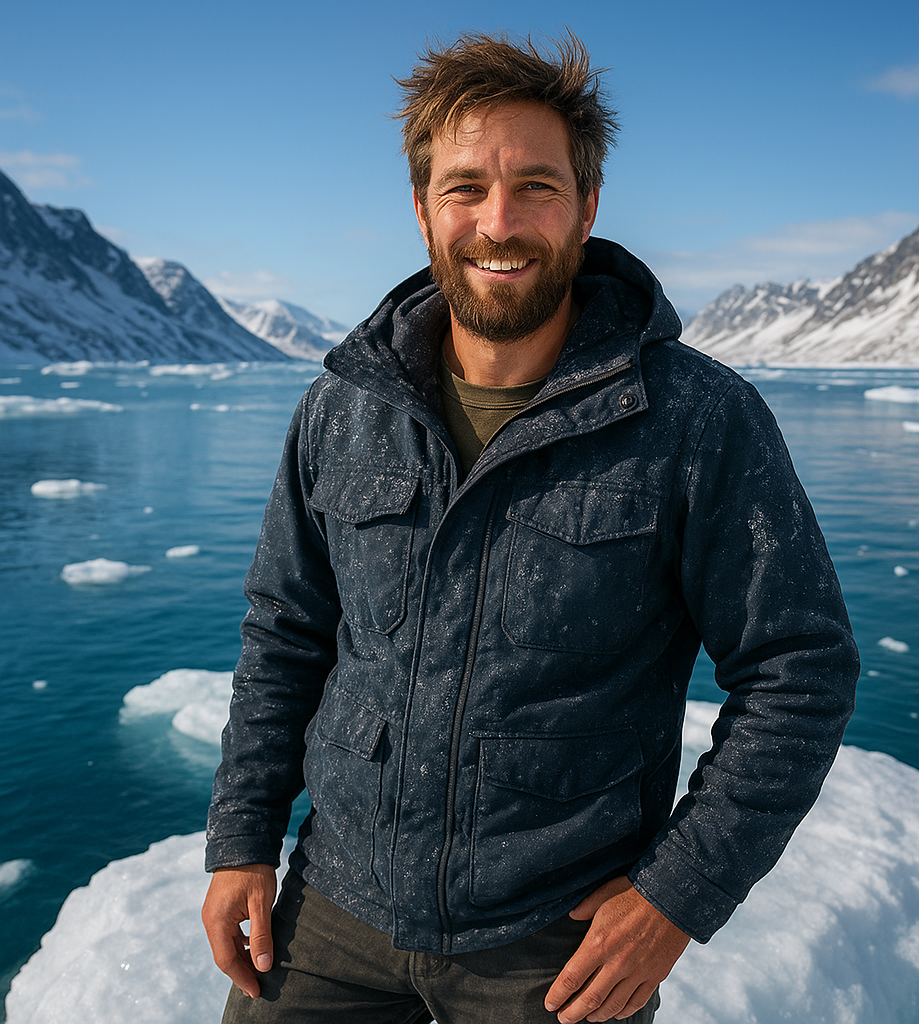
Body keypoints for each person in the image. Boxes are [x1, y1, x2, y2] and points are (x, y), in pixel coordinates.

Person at [202, 31, 859, 1024]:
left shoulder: (693, 419)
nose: (498, 222)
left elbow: (800, 665)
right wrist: (242, 834)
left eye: (537, 187)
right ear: (422, 209)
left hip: (557, 946)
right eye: (464, 187)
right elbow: (287, 636)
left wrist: (675, 897)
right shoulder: (344, 408)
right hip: (333, 912)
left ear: (586, 207)